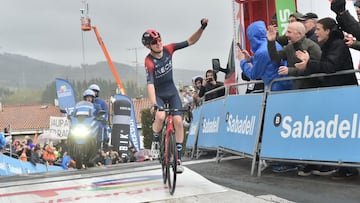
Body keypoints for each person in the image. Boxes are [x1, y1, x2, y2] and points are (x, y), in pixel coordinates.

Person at [142, 18, 208, 174]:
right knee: (159, 117)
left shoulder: (168, 49)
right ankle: (156, 140)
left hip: (171, 92)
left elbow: (190, 41)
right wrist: (153, 103)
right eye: (154, 42)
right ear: (148, 46)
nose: (158, 43)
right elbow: (150, 84)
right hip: (158, 94)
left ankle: (178, 159)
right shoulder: (149, 61)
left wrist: (202, 28)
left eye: (159, 39)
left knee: (178, 121)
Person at [295, 17, 358, 87]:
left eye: (318, 29)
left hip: (343, 88)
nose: (315, 32)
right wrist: (306, 65)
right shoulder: (328, 44)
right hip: (336, 88)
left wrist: (308, 63)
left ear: (327, 31)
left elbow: (330, 67)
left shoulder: (337, 44)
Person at [238, 21, 293, 91]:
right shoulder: (274, 44)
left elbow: (253, 74)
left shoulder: (261, 52)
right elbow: (268, 62)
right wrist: (250, 59)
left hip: (276, 87)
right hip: (284, 83)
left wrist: (242, 61)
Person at [267, 21, 322, 89]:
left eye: (289, 32)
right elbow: (275, 58)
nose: (286, 35)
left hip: (313, 88)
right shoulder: (289, 47)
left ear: (299, 34)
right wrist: (271, 42)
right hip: (296, 88)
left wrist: (290, 71)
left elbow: (315, 69)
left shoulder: (312, 47)